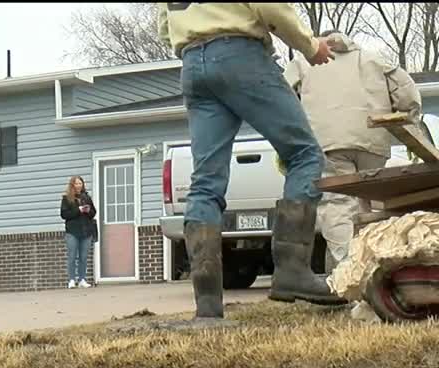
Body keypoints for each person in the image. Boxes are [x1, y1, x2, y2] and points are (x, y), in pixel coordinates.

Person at [157, 2, 342, 319]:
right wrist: (311, 46)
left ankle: (208, 305)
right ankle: (292, 269)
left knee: (205, 183)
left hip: (192, 64)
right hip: (239, 54)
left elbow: (164, 25)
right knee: (305, 155)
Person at [284, 30, 422, 272]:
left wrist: (292, 131)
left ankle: (351, 270)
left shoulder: (303, 61)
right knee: (373, 204)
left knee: (338, 206)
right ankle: (381, 265)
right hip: (372, 139)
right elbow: (407, 91)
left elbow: (281, 92)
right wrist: (410, 120)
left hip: (327, 143)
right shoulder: (373, 58)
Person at [59, 176, 97, 289]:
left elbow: (93, 212)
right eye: (76, 183)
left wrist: (88, 210)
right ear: (72, 185)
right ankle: (71, 280)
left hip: (86, 231)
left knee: (83, 257)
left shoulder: (87, 197)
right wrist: (78, 210)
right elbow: (64, 214)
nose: (79, 185)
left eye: (80, 183)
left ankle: (82, 279)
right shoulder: (66, 198)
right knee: (72, 256)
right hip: (72, 231)